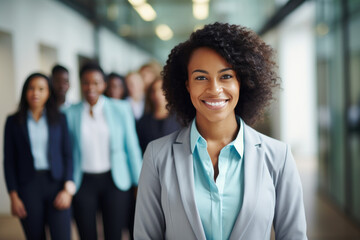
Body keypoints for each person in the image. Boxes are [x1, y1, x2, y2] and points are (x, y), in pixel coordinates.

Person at [134, 22, 308, 240]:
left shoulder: (278, 157)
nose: (214, 89)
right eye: (200, 77)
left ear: (241, 82)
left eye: (226, 76)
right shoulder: (157, 156)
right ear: (187, 84)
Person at [64, 62, 142, 240]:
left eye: (96, 83)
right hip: (83, 182)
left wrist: (138, 181)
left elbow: (131, 147)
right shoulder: (70, 113)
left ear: (104, 85)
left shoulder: (120, 109)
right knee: (86, 234)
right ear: (80, 84)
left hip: (115, 181)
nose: (91, 87)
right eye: (86, 82)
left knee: (114, 234)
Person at [4, 73, 74, 240]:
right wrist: (13, 197)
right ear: (25, 92)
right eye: (31, 88)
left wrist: (67, 189)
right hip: (28, 187)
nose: (36, 93)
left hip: (56, 184)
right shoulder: (13, 121)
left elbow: (68, 155)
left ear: (48, 92)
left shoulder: (60, 118)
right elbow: (9, 161)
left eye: (41, 89)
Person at [136, 77, 181, 153]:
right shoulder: (143, 122)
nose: (157, 94)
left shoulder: (181, 119)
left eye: (162, 90)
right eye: (153, 91)